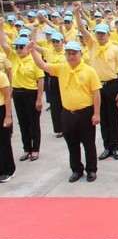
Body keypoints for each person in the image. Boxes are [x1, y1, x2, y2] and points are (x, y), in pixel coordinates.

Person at [28, 41, 102, 182]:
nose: (71, 56)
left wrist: (96, 113)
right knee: (72, 144)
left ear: (81, 54)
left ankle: (91, 170)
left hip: (85, 113)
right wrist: (33, 52)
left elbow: (96, 93)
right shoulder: (62, 68)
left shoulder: (89, 71)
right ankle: (76, 170)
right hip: (68, 114)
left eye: (74, 53)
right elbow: (43, 65)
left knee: (89, 144)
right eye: (68, 53)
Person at [75, 2, 118, 161]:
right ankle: (107, 147)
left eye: (103, 34)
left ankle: (115, 146)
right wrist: (77, 13)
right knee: (102, 117)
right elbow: (82, 29)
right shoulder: (92, 45)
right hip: (97, 86)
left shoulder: (115, 48)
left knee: (113, 117)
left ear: (108, 34)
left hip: (112, 85)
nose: (100, 36)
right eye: (98, 33)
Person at [0, 28, 44, 162]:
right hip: (18, 94)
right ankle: (27, 148)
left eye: (21, 47)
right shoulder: (14, 57)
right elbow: (3, 44)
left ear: (27, 48)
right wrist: (0, 28)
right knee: (23, 122)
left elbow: (40, 80)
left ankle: (35, 148)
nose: (18, 49)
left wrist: (39, 99)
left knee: (33, 122)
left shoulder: (34, 59)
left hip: (31, 93)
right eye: (16, 47)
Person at [0, 68, 14, 183]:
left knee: (3, 141)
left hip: (1, 110)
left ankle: (7, 170)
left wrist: (8, 115)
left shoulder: (2, 76)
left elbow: (7, 97)